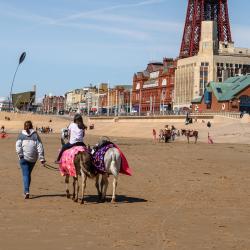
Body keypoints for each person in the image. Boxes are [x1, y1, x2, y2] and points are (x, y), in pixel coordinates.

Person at [16, 121, 46, 199]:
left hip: (23, 158)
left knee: (26, 174)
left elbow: (18, 146)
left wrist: (20, 155)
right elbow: (40, 147)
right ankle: (26, 191)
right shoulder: (35, 135)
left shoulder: (21, 135)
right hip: (33, 159)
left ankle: (26, 191)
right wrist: (42, 158)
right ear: (32, 126)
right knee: (28, 174)